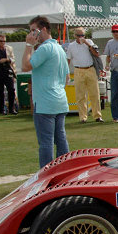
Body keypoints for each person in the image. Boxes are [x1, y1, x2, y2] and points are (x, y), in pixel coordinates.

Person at [21, 15, 69, 168]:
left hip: (45, 103)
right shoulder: (59, 48)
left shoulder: (45, 48)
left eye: (34, 31)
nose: (32, 34)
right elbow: (67, 77)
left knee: (46, 142)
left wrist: (29, 45)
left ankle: (45, 176)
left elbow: (25, 66)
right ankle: (65, 170)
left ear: (43, 30)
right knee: (60, 138)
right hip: (59, 100)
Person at [66, 27, 104, 123]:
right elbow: (68, 59)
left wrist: (87, 44)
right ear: (75, 36)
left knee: (95, 94)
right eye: (78, 35)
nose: (81, 37)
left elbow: (96, 53)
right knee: (80, 95)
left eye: (82, 35)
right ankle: (83, 117)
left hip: (90, 69)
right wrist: (65, 71)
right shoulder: (71, 46)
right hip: (78, 70)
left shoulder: (89, 42)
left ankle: (97, 116)